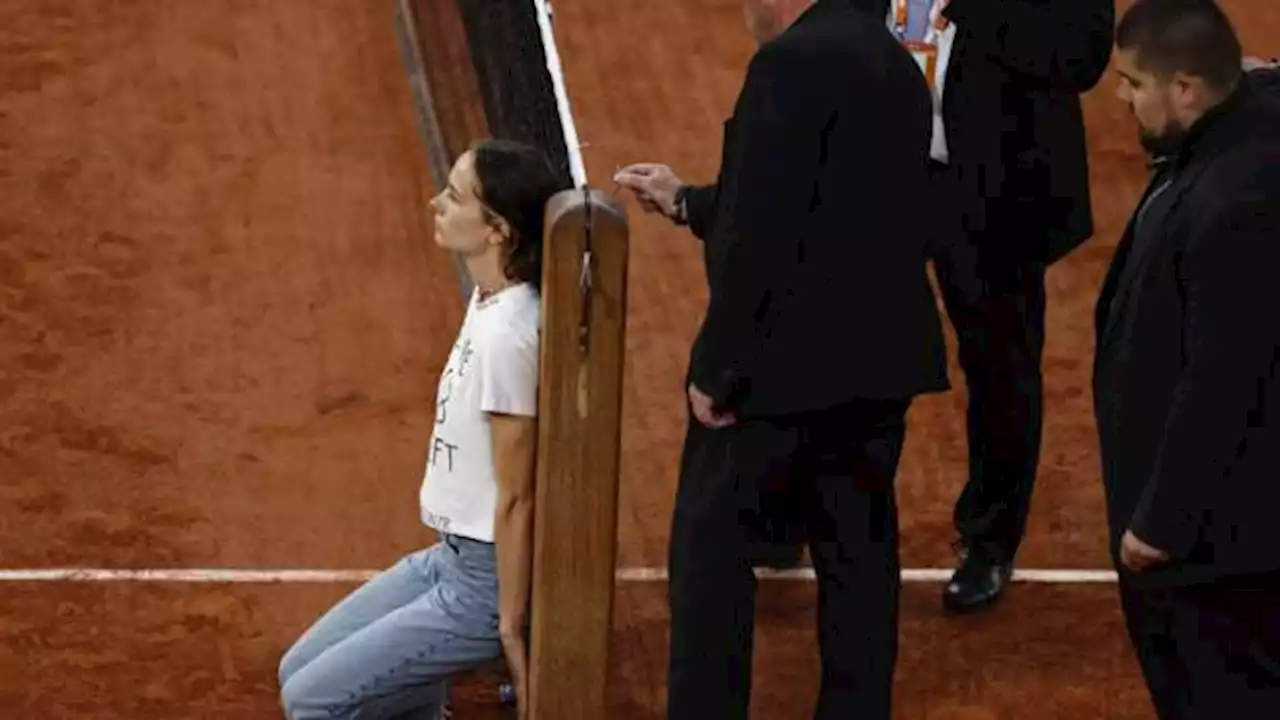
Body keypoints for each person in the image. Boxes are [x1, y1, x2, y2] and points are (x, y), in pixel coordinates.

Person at [614, 0, 949, 716]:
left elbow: (759, 235)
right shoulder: (896, 63)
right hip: (880, 369)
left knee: (709, 562)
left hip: (779, 381)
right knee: (858, 562)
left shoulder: (787, 65)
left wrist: (718, 371)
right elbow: (842, 206)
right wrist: (684, 201)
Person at [276, 139, 568, 720]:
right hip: (447, 559)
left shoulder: (509, 336)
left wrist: (508, 628)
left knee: (311, 702)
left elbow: (517, 496)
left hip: (480, 588)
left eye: (455, 197)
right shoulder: (490, 294)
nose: (436, 203)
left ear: (498, 231)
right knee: (295, 670)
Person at [1096, 1, 1280, 717]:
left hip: (1216, 547)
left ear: (1186, 88)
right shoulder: (1229, 134)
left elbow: (1221, 381)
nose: (1122, 98)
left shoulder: (1239, 200)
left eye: (1133, 82)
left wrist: (1162, 522)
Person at [915, 0, 1116, 613]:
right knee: (829, 323)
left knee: (1000, 365)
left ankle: (990, 539)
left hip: (997, 187)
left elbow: (1080, 55)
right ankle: (792, 511)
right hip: (884, 165)